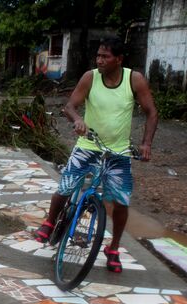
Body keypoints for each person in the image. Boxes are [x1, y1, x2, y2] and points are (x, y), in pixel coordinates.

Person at [34, 37, 158, 273]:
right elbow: (70, 106)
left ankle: (114, 247)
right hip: (89, 145)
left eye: (106, 56)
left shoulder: (134, 80)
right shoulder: (91, 77)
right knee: (66, 187)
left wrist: (146, 144)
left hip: (118, 152)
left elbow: (151, 112)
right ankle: (50, 222)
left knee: (121, 202)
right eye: (98, 56)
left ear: (119, 59)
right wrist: (78, 120)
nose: (100, 60)